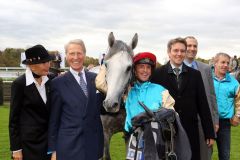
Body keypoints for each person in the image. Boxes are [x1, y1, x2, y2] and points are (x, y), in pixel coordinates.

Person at [151, 37, 215, 160]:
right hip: (166, 131)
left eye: (182, 51)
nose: (179, 54)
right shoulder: (157, 74)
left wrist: (209, 132)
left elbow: (203, 104)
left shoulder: (195, 75)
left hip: (190, 129)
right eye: (175, 50)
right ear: (169, 52)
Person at [48, 39, 104, 160]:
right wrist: (53, 150)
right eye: (71, 53)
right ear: (66, 56)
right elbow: (54, 120)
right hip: (69, 146)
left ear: (84, 54)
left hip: (93, 145)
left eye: (79, 53)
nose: (76, 57)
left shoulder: (97, 79)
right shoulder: (57, 83)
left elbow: (103, 109)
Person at [9, 45, 53, 160]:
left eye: (48, 61)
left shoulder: (51, 80)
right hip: (28, 146)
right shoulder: (19, 84)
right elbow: (13, 119)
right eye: (43, 62)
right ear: (32, 66)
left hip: (48, 144)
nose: (48, 65)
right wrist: (16, 149)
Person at [184, 36, 218, 160]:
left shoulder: (206, 68)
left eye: (195, 46)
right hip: (183, 121)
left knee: (205, 155)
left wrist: (215, 121)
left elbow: (212, 95)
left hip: (204, 121)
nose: (192, 49)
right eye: (189, 45)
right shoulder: (176, 68)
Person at [124, 52, 175, 132]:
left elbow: (172, 113)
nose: (145, 70)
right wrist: (104, 62)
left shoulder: (161, 90)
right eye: (141, 67)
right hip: (132, 139)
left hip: (156, 139)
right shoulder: (127, 92)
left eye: (148, 67)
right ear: (134, 70)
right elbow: (102, 85)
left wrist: (156, 116)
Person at [212, 53, 240, 160]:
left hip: (224, 123)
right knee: (205, 153)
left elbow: (239, 101)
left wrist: (237, 116)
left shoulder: (234, 83)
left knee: (225, 155)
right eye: (222, 62)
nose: (225, 65)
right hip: (208, 121)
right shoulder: (207, 78)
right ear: (215, 63)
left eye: (227, 63)